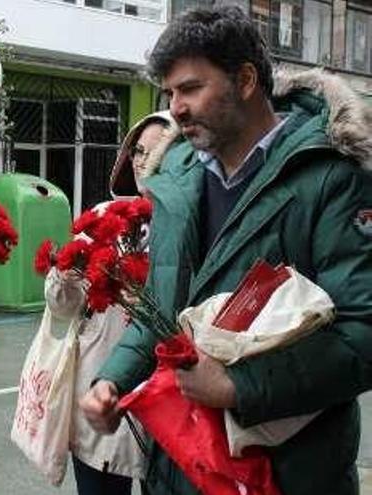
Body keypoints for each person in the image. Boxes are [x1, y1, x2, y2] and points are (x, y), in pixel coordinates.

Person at [80, 6, 372, 494]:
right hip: (181, 464)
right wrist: (111, 381)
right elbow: (161, 312)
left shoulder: (330, 175)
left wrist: (241, 386)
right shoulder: (177, 181)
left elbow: (362, 332)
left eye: (191, 88)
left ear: (245, 80)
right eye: (169, 92)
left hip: (287, 475)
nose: (175, 107)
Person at [44, 111, 178, 494]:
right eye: (137, 150)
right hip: (101, 394)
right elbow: (62, 307)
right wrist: (64, 277)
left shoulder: (195, 225)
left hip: (169, 404)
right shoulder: (103, 218)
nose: (142, 161)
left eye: (156, 152)